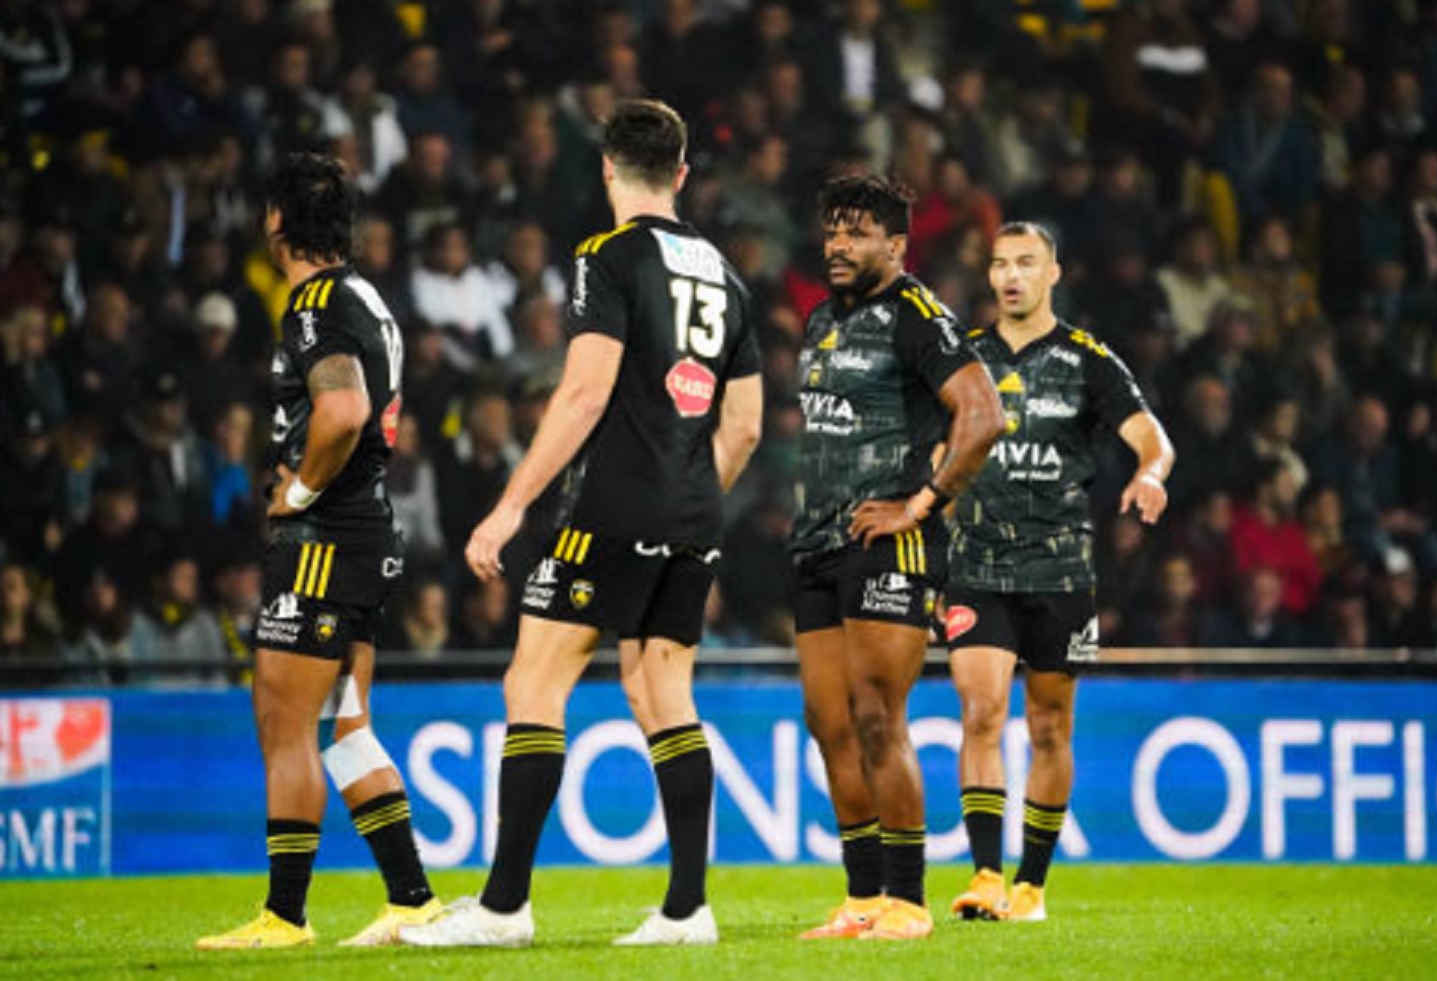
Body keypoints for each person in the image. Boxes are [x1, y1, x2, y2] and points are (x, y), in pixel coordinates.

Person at [401, 99, 763, 949]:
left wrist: (511, 503)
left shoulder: (606, 256)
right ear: (681, 173)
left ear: (607, 168)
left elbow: (585, 391)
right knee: (661, 693)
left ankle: (503, 907)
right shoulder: (725, 271)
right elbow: (743, 424)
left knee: (533, 686)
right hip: (696, 506)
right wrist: (689, 493)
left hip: (615, 501)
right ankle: (686, 909)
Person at [196, 154, 441, 950]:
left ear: (278, 223)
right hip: (366, 530)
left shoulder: (315, 302)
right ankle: (411, 899)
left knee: (282, 718)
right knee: (348, 727)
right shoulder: (369, 297)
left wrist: (298, 488)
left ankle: (285, 915)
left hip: (325, 538)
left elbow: (342, 409)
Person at [791, 174, 1002, 941]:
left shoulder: (915, 314)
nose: (839, 245)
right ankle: (863, 898)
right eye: (832, 231)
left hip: (892, 545)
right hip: (817, 544)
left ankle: (908, 902)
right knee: (829, 723)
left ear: (896, 244)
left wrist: (922, 503)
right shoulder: (820, 320)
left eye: (857, 232)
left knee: (879, 716)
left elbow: (984, 416)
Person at [945, 222, 1174, 923]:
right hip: (977, 561)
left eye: (1026, 263)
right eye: (1000, 264)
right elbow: (932, 451)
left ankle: (1031, 887)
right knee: (981, 711)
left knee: (1049, 726)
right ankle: (984, 874)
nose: (1011, 275)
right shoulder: (963, 357)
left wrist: (1152, 474)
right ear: (989, 277)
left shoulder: (1086, 359)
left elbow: (1151, 438)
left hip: (1060, 567)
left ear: (1053, 273)